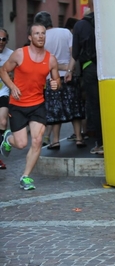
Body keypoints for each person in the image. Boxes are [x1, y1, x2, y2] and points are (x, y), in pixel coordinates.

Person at [0, 23, 60, 190]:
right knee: (20, 143)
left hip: (37, 105)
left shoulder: (51, 59)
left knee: (37, 140)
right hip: (18, 105)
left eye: (43, 34)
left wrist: (56, 84)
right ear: (30, 37)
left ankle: (25, 176)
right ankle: (8, 138)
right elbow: (3, 70)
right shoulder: (20, 54)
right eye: (37, 34)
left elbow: (57, 80)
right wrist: (12, 86)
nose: (40, 36)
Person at [34, 11, 86, 150]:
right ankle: (79, 138)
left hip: (52, 78)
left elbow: (40, 60)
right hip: (70, 75)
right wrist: (69, 69)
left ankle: (55, 141)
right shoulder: (65, 32)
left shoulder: (41, 38)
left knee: (55, 110)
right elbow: (73, 52)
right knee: (75, 107)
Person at [65, 0, 103, 155]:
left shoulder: (80, 25)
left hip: (89, 69)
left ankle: (101, 143)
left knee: (95, 107)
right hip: (108, 68)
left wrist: (69, 71)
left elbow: (75, 53)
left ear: (89, 5)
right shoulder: (107, 21)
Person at [0, 29, 13, 170]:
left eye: (4, 39)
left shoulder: (11, 55)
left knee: (3, 121)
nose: (1, 42)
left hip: (3, 92)